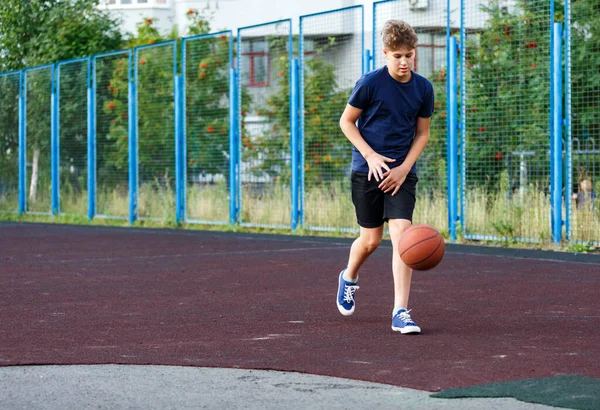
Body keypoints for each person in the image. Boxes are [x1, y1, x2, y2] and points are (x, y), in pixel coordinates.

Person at [337, 19, 434, 334]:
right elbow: (347, 122)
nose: (404, 62)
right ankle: (349, 276)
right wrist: (370, 155)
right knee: (371, 240)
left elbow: (422, 134)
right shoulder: (370, 83)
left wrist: (404, 168)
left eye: (409, 55)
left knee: (403, 237)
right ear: (385, 54)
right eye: (397, 56)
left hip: (402, 174)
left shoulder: (423, 88)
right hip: (366, 171)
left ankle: (400, 311)